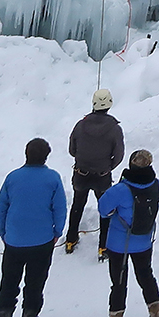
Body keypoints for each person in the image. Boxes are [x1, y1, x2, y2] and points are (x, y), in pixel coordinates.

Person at [0, 137, 66, 317]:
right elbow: (59, 208)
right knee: (34, 283)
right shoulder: (52, 178)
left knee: (9, 281)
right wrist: (57, 232)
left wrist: (3, 232)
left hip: (14, 240)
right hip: (42, 241)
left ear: (26, 154)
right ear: (46, 156)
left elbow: (1, 207)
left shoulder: (13, 177)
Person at [96, 150, 159, 317]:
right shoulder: (156, 184)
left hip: (120, 244)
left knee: (118, 282)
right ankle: (155, 312)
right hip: (144, 240)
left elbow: (103, 209)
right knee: (146, 275)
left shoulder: (121, 190)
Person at [65, 89, 123, 255]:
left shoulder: (80, 124)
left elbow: (72, 150)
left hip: (81, 173)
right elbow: (118, 154)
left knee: (77, 205)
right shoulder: (114, 128)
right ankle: (103, 246)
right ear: (110, 104)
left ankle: (70, 240)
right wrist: (107, 167)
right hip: (102, 176)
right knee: (105, 208)